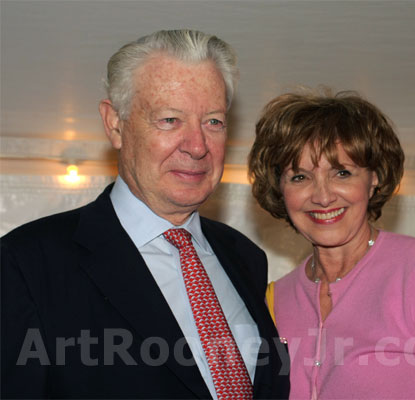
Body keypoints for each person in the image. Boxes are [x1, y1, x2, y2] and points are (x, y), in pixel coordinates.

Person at [1, 29, 289, 399]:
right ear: (115, 124)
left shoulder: (245, 257)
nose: (198, 146)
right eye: (170, 120)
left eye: (213, 121)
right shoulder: (25, 263)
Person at [248, 89, 415, 399]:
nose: (323, 196)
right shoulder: (275, 299)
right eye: (299, 177)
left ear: (375, 178)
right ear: (280, 189)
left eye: (342, 172)